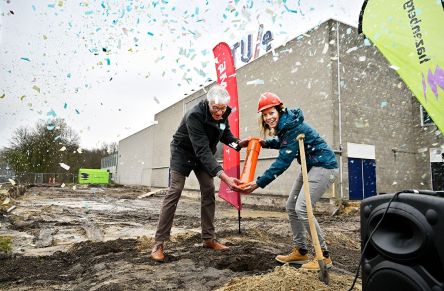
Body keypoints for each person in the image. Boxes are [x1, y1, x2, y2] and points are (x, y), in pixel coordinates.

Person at [242, 92, 339, 271]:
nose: (268, 117)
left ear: (280, 110)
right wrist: (263, 143)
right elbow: (283, 143)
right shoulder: (286, 126)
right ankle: (301, 251)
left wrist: (258, 182)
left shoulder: (292, 126)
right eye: (264, 114)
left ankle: (323, 256)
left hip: (324, 166)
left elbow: (282, 162)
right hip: (310, 167)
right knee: (291, 205)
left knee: (302, 207)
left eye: (271, 113)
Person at [151, 84, 248, 262]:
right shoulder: (194, 115)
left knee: (208, 189)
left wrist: (241, 144)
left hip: (203, 153)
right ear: (208, 103)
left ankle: (208, 239)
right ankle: (159, 243)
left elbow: (226, 136)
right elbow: (202, 150)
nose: (219, 113)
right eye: (215, 109)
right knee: (175, 190)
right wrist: (224, 177)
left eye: (222, 109)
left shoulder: (223, 114)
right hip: (183, 152)